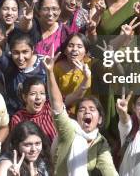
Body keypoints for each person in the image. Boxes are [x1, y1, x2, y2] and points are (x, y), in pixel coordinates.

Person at [43, 47, 118, 175]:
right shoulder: (69, 130)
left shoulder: (100, 141)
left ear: (99, 119)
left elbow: (109, 170)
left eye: (92, 109)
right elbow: (57, 105)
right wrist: (50, 73)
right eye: (82, 109)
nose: (86, 112)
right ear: (77, 117)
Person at [9, 77, 57, 142]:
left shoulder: (50, 107)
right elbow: (17, 144)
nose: (38, 97)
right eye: (33, 94)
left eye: (42, 93)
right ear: (24, 97)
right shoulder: (18, 119)